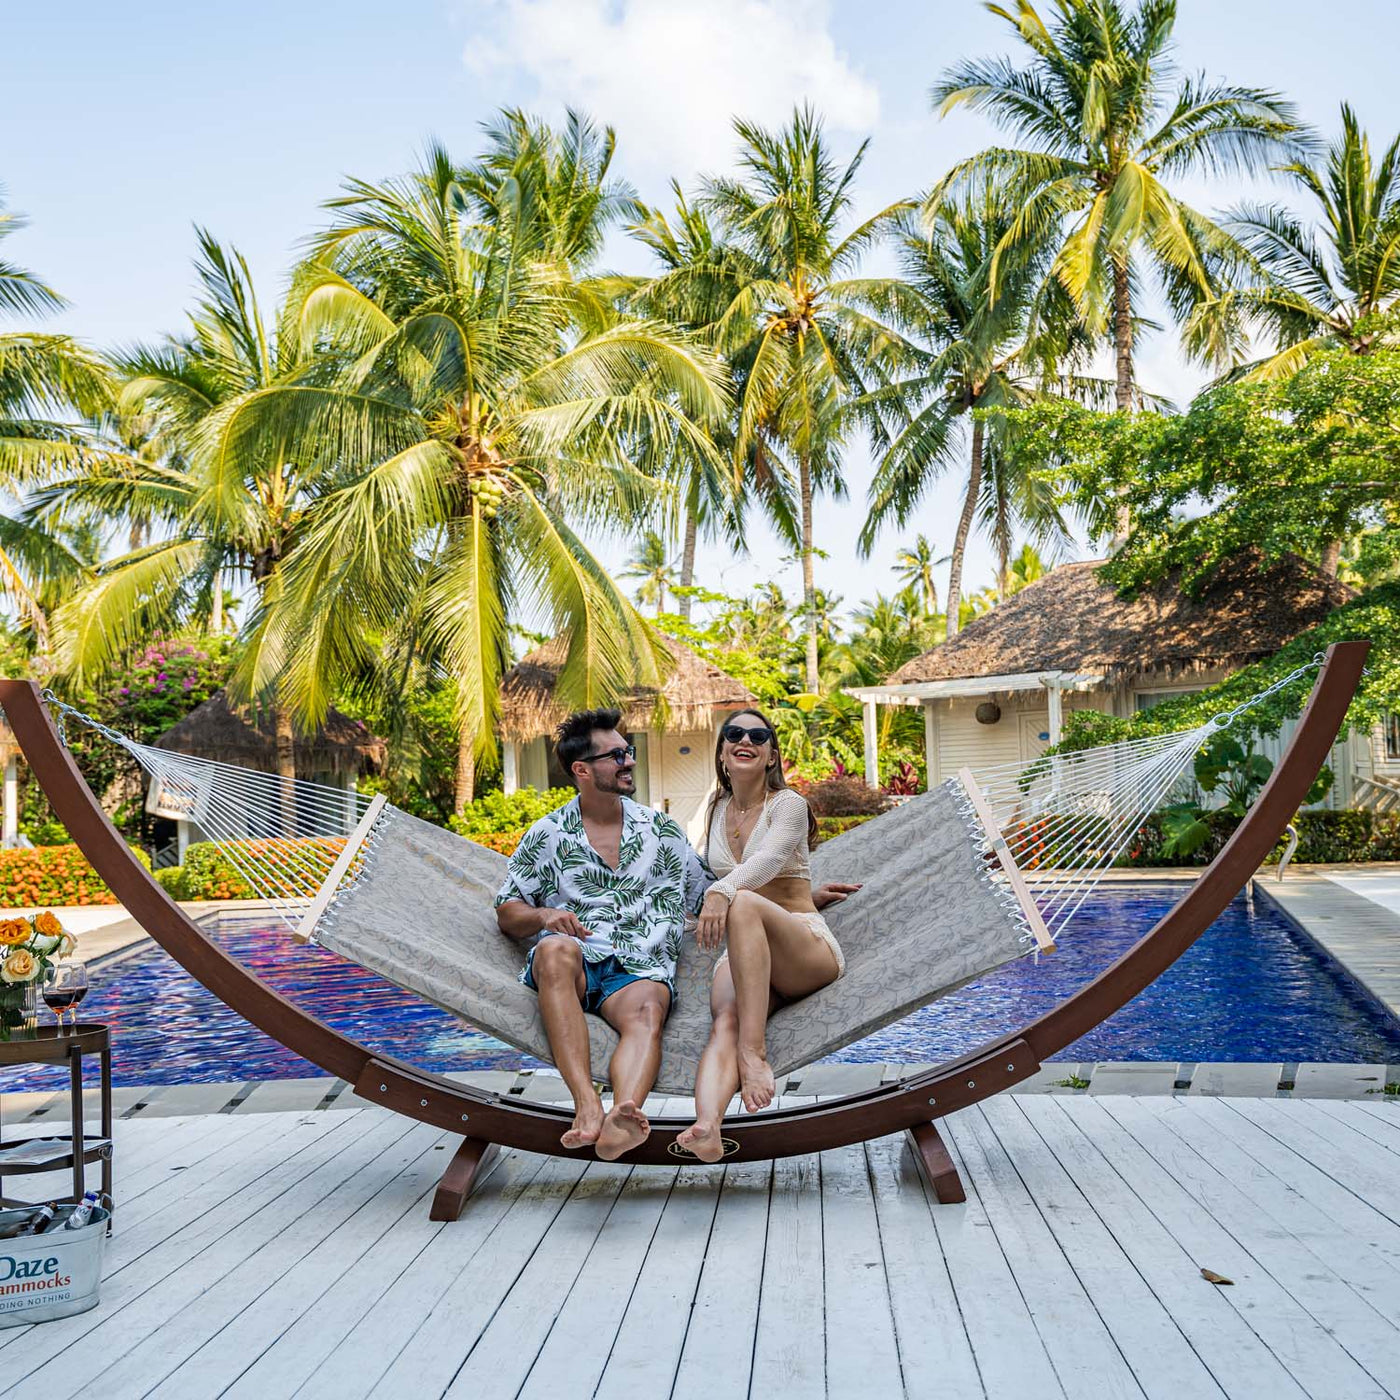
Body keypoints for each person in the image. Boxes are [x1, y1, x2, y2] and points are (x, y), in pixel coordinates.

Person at [495, 708, 711, 1159]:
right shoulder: (548, 834)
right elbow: (508, 910)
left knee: (649, 1013)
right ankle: (588, 1106)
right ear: (583, 770)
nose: (629, 761)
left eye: (628, 751)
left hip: (639, 968)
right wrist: (544, 916)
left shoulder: (661, 832)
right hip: (573, 964)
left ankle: (622, 1116)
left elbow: (709, 896)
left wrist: (797, 898)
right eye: (616, 756)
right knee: (553, 950)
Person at [675, 709, 861, 1163]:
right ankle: (708, 1125)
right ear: (722, 752)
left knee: (742, 903)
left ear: (771, 755)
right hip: (745, 953)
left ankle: (754, 1055)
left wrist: (724, 892)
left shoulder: (789, 804)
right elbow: (711, 882)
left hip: (803, 946)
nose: (746, 740)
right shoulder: (716, 809)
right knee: (725, 1022)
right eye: (734, 734)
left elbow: (770, 862)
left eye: (758, 736)